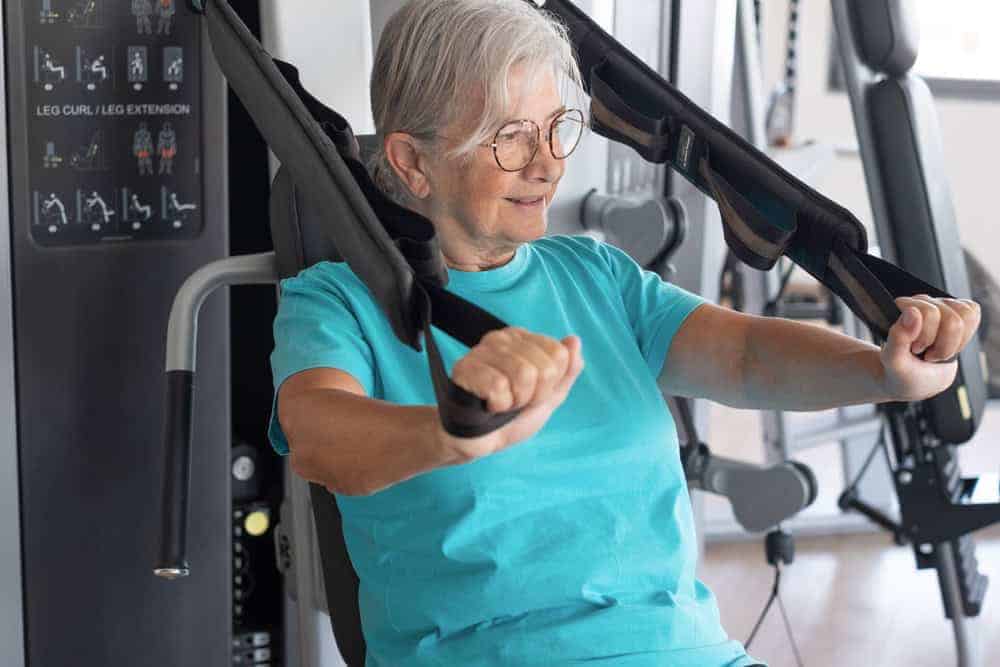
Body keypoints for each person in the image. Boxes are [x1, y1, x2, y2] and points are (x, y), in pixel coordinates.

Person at [267, 1, 981, 665]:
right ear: (411, 162)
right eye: (510, 138)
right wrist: (450, 431)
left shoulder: (594, 274)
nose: (548, 163)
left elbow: (744, 354)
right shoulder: (338, 302)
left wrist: (882, 371)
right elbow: (321, 437)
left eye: (557, 127)